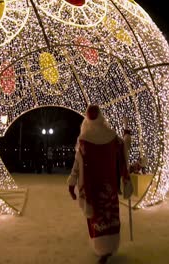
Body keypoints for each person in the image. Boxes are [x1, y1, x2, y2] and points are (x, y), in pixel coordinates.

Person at [67, 105, 132, 263]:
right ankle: (108, 249)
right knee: (109, 216)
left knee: (95, 217)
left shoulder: (84, 139)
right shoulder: (111, 136)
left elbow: (77, 163)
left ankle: (102, 250)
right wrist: (127, 132)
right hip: (108, 188)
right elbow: (124, 147)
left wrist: (72, 182)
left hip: (92, 189)